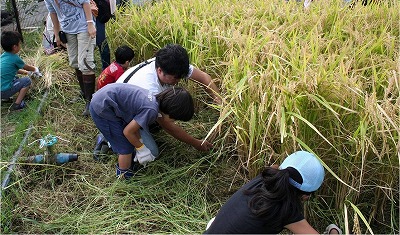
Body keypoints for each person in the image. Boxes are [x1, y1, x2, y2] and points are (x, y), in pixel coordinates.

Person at [116, 43, 221, 155]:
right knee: (152, 152)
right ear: (160, 71)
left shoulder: (171, 63)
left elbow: (204, 77)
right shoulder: (150, 90)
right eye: (176, 78)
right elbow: (167, 125)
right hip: (119, 114)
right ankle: (110, 138)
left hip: (132, 103)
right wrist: (196, 143)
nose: (179, 81)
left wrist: (220, 102)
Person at [204, 151, 342, 234]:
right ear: (306, 195)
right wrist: (334, 231)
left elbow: (276, 167)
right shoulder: (286, 209)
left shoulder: (265, 177)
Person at [90, 84, 194, 179]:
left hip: (108, 101)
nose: (174, 122)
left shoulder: (153, 100)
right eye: (175, 119)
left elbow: (134, 125)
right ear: (171, 111)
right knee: (126, 147)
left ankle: (108, 139)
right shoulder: (151, 111)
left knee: (127, 139)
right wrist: (141, 148)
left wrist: (139, 140)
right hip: (103, 108)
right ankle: (123, 177)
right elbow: (128, 132)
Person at [35, 0, 96, 116]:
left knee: (85, 63)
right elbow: (52, 11)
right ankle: (83, 92)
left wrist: (89, 23)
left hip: (82, 25)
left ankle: (90, 101)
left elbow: (84, 0)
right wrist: (56, 34)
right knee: (74, 61)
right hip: (68, 28)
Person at [78, 0, 117, 71]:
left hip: (99, 6)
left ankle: (106, 68)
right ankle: (86, 67)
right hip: (81, 7)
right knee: (83, 37)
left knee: (100, 38)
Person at [1, 31, 42, 111]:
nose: (20, 45)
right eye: (19, 43)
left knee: (15, 78)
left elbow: (13, 71)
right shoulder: (14, 58)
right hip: (3, 91)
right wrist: (35, 69)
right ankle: (17, 104)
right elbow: (26, 67)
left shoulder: (3, 57)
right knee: (26, 81)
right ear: (15, 47)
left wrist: (27, 73)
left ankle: (5, 99)